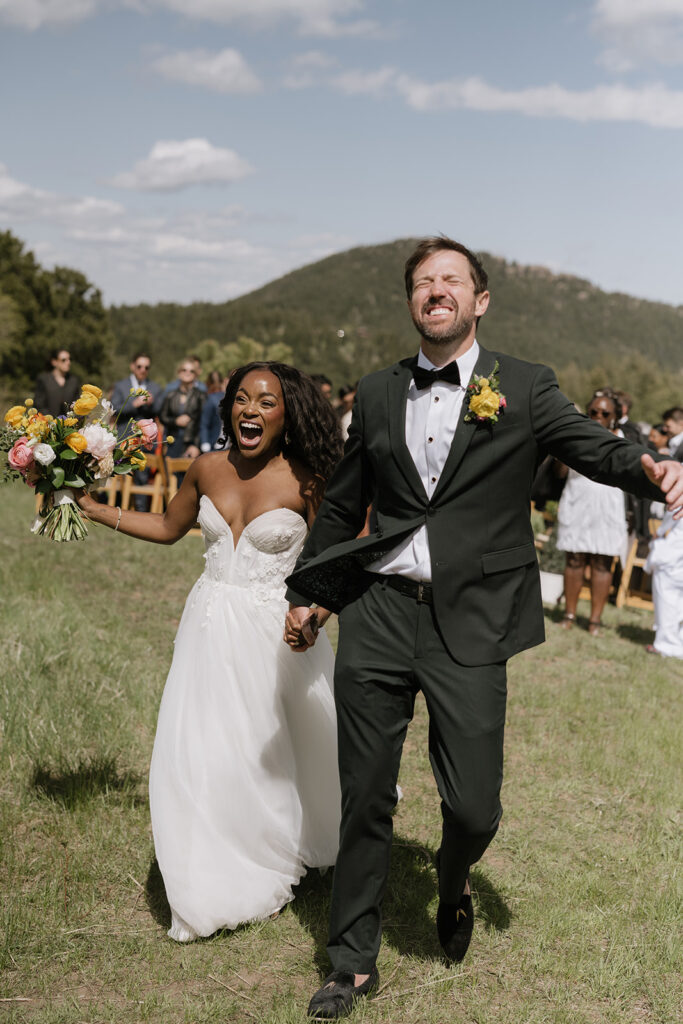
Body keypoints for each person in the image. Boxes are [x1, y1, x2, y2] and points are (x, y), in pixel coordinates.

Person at [283, 236, 683, 1020]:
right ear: (411, 303)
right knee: (364, 790)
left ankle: (453, 871)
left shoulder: (524, 387)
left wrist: (649, 466)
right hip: (381, 610)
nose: (436, 291)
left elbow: (590, 447)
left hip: (473, 617)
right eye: (422, 283)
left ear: (480, 300)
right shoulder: (374, 390)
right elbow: (341, 505)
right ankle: (350, 962)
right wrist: (315, 592)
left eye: (451, 281)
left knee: (473, 806)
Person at [75, 362, 344, 941]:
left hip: (277, 635)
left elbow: (332, 564)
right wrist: (94, 509)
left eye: (266, 402)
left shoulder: (308, 478)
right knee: (204, 749)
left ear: (286, 414)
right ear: (228, 410)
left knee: (269, 753)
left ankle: (282, 842)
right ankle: (216, 873)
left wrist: (316, 615)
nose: (251, 410)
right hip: (209, 625)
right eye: (241, 399)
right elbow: (170, 528)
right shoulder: (205, 467)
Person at [554, 388, 630, 636]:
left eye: (604, 412)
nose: (598, 415)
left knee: (602, 562)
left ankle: (595, 620)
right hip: (577, 499)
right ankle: (569, 614)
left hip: (607, 504)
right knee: (574, 559)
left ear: (615, 416)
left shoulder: (622, 439)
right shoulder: (576, 433)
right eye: (593, 411)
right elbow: (560, 473)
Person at [159, 360, 205, 458]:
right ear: (179, 373)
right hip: (172, 443)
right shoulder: (170, 395)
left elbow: (204, 423)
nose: (187, 372)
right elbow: (162, 417)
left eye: (191, 371)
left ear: (196, 375)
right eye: (184, 370)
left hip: (191, 443)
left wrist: (196, 445)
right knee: (171, 472)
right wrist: (175, 421)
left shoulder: (201, 396)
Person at [110, 352, 162, 435]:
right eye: (139, 366)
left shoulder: (156, 388)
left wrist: (151, 404)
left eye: (146, 367)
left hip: (146, 440)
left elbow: (160, 411)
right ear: (132, 366)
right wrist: (134, 404)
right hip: (124, 437)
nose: (143, 370)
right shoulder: (120, 386)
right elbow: (114, 409)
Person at [33, 348, 81, 417]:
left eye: (69, 359)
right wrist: (51, 422)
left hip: (69, 424)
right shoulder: (43, 380)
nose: (68, 362)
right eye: (64, 360)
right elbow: (39, 405)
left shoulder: (73, 381)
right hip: (47, 423)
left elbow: (77, 403)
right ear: (54, 362)